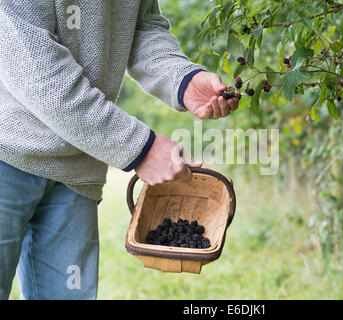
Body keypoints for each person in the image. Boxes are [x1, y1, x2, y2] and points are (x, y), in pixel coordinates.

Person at [0, 0, 238, 300]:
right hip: (6, 151)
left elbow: (141, 28)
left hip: (77, 170)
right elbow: (33, 66)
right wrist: (140, 148)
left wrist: (183, 79)